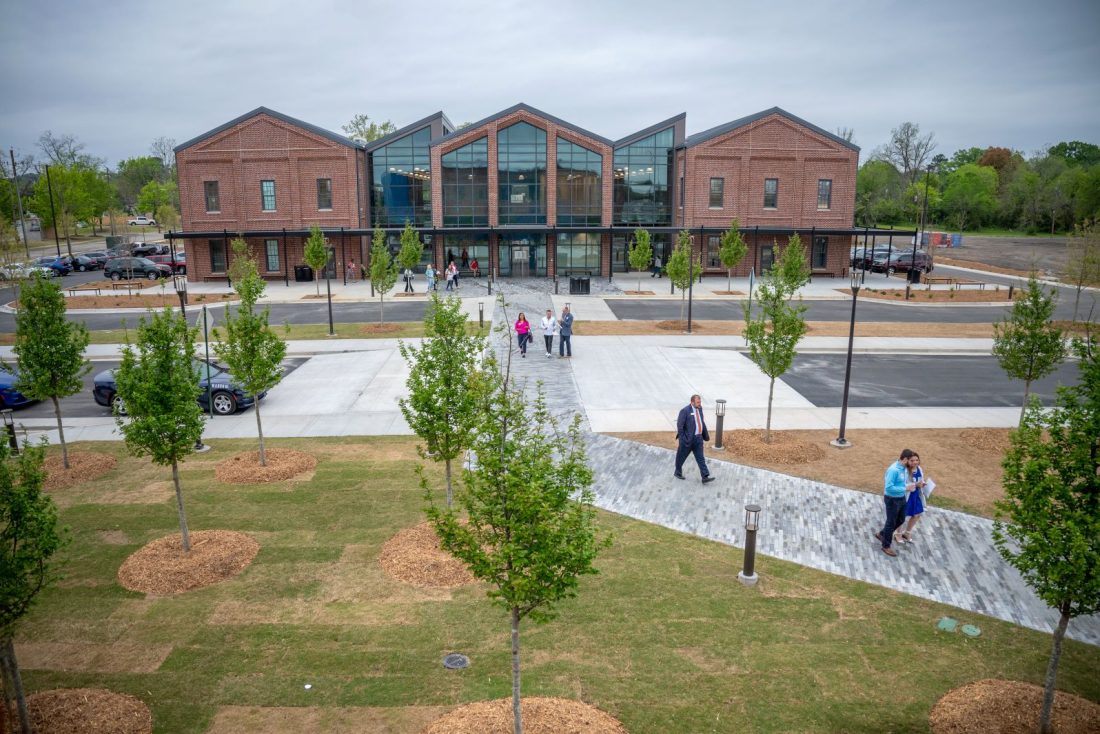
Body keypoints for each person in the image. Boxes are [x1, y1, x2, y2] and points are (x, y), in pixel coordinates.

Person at [877, 449, 918, 557]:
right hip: (892, 499)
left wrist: (908, 487)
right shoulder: (894, 470)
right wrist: (905, 488)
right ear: (905, 459)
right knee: (891, 522)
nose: (913, 463)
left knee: (901, 519)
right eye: (911, 461)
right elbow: (889, 487)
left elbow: (902, 484)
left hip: (901, 498)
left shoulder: (904, 468)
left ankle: (882, 534)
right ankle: (886, 545)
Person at [675, 394, 714, 484]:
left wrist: (705, 434)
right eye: (697, 402)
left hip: (698, 439)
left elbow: (701, 422)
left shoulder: (700, 408)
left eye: (700, 402)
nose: (699, 404)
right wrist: (683, 439)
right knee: (681, 457)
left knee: (700, 458)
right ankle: (677, 472)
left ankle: (705, 476)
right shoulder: (685, 411)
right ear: (692, 402)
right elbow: (680, 427)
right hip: (688, 440)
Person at [896, 453, 927, 545]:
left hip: (916, 496)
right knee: (902, 516)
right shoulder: (904, 471)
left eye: (917, 460)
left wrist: (923, 483)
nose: (915, 462)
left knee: (917, 514)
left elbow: (921, 479)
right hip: (906, 496)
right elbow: (901, 485)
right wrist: (915, 485)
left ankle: (907, 533)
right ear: (908, 461)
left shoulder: (919, 469)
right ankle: (898, 534)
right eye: (912, 460)